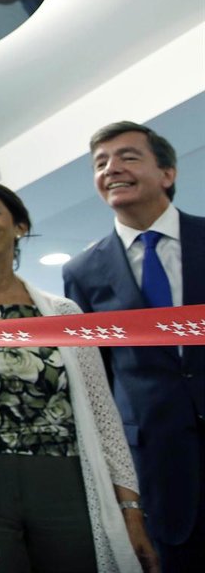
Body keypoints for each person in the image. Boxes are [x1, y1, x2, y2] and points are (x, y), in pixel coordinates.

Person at [0, 179, 157, 573]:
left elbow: (102, 414)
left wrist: (130, 507)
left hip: (65, 481)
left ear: (20, 226)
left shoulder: (63, 313)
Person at [63, 121, 204, 572]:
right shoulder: (83, 272)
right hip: (157, 468)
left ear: (167, 173)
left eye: (127, 157)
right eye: (100, 163)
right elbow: (97, 381)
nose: (111, 169)